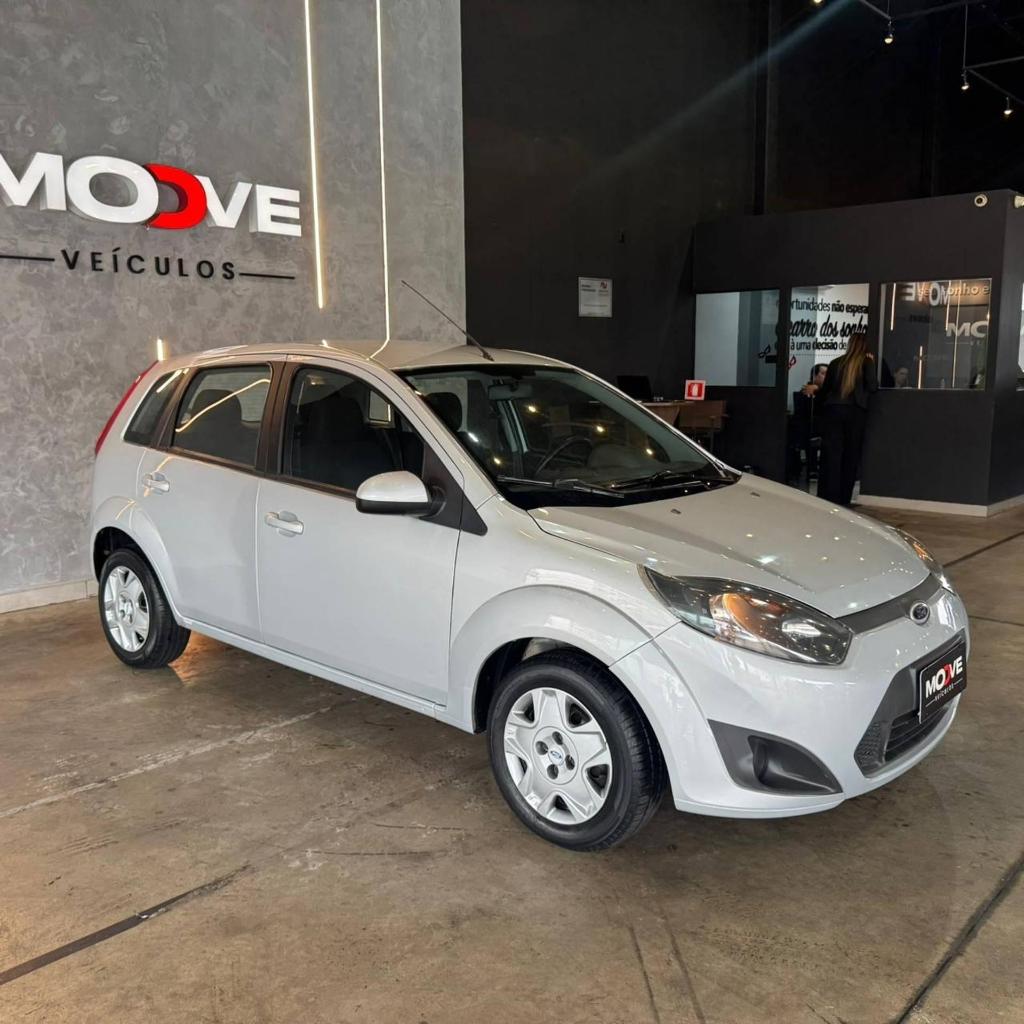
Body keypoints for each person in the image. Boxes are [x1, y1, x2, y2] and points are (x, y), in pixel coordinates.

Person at [802, 334, 877, 506]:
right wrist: (872, 363)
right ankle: (844, 499)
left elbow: (826, 391)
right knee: (850, 457)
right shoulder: (866, 363)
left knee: (831, 456)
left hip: (833, 411)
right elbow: (873, 386)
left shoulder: (836, 363)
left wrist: (816, 389)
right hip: (855, 413)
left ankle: (828, 497)